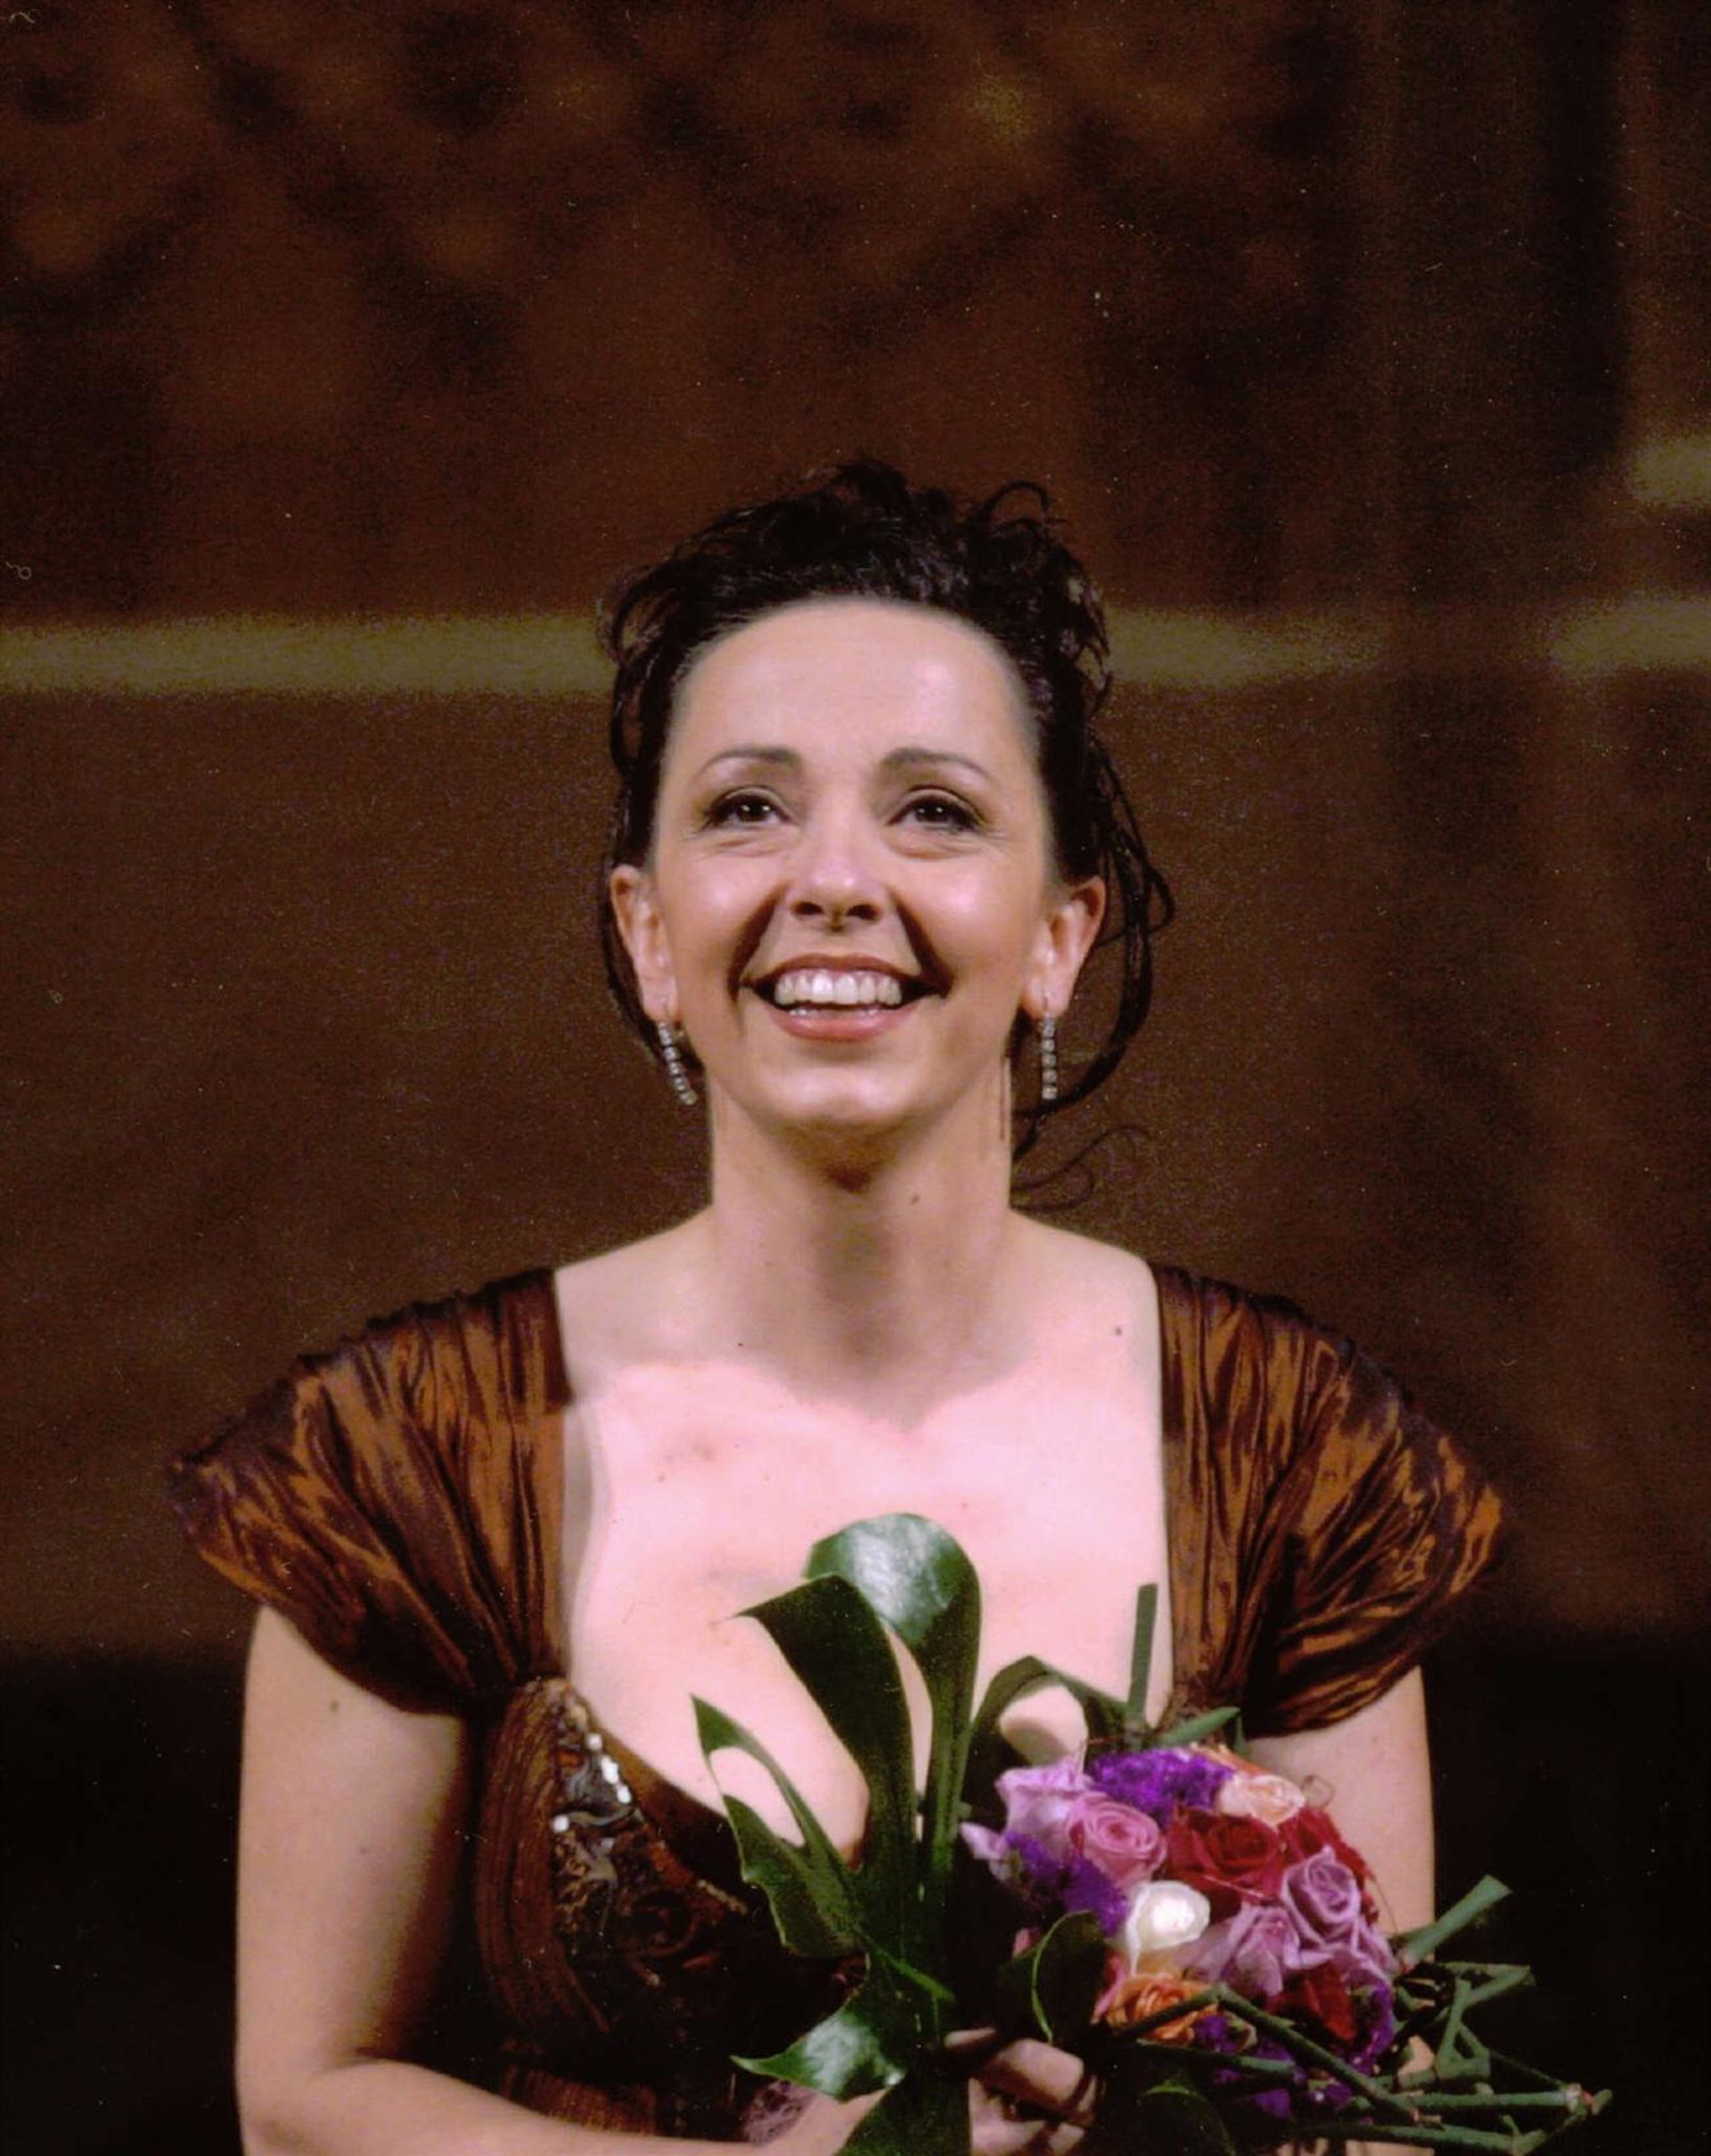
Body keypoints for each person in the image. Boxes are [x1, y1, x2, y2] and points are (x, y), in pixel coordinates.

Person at [170, 460, 1502, 2154]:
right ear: (648, 934)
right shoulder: (412, 1456)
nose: (835, 880)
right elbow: (300, 2107)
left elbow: (1377, 2119)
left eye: (934, 811)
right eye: (749, 809)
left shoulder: (1296, 1454)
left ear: (1061, 934)